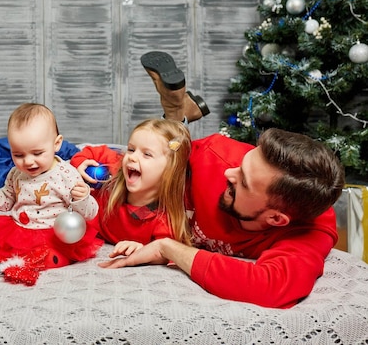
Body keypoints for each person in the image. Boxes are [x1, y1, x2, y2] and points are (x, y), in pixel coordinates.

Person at [98, 51, 346, 309]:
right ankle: (177, 112)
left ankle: (180, 111)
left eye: (244, 182)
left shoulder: (308, 229)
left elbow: (269, 287)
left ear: (275, 219)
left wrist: (168, 248)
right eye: (242, 163)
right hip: (164, 186)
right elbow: (152, 156)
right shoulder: (217, 157)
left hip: (164, 223)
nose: (230, 173)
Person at [0, 103, 102, 281]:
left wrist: (82, 198)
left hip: (52, 234)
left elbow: (90, 213)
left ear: (56, 144)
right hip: (19, 230)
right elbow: (6, 202)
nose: (28, 162)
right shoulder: (16, 173)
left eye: (37, 153)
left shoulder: (66, 174)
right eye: (19, 155)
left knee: (50, 257)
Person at [70, 118, 192, 255]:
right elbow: (91, 151)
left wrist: (142, 249)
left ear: (170, 170)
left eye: (147, 154)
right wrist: (80, 163)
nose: (132, 157)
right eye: (131, 149)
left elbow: (164, 251)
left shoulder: (163, 221)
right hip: (76, 213)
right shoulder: (117, 165)